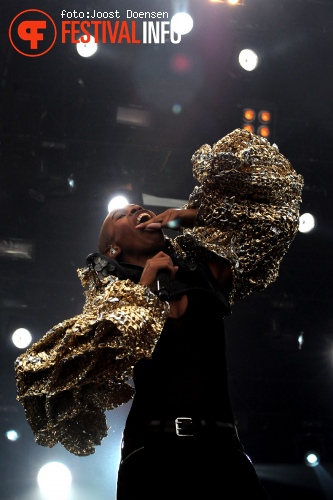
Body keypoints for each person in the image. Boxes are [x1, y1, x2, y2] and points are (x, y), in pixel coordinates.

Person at [14, 128, 304, 499]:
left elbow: (274, 217)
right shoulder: (112, 299)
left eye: (136, 206)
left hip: (223, 456)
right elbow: (53, 369)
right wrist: (144, 286)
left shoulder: (204, 270)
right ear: (113, 250)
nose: (135, 208)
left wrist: (186, 217)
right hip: (151, 458)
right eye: (121, 214)